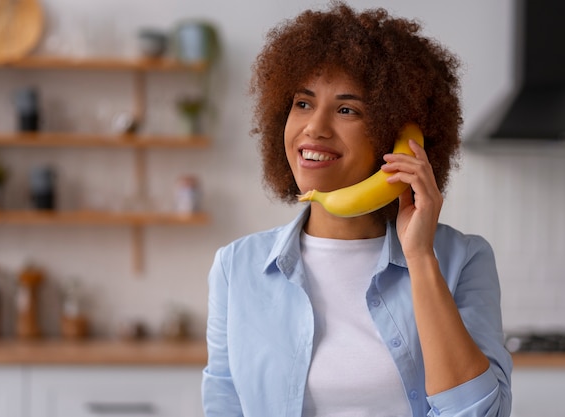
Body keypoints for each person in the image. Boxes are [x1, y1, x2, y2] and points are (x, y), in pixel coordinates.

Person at [202, 2, 512, 416]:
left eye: (347, 109)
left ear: (398, 136)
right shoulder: (237, 267)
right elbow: (224, 408)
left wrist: (420, 259)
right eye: (303, 103)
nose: (315, 127)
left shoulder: (462, 260)